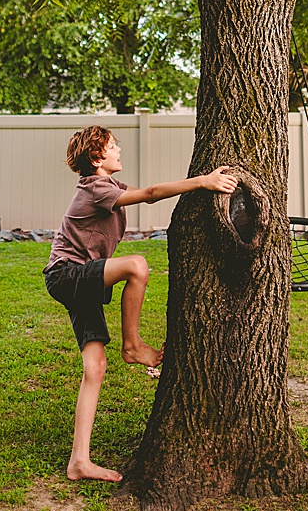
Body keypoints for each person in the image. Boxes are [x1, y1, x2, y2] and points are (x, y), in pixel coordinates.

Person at [43, 125, 237, 482]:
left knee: (95, 367)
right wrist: (202, 181)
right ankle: (132, 346)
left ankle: (79, 461)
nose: (119, 150)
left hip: (77, 278)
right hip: (68, 275)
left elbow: (146, 193)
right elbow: (150, 193)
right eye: (113, 146)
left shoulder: (109, 187)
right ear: (96, 158)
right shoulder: (96, 189)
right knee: (136, 265)